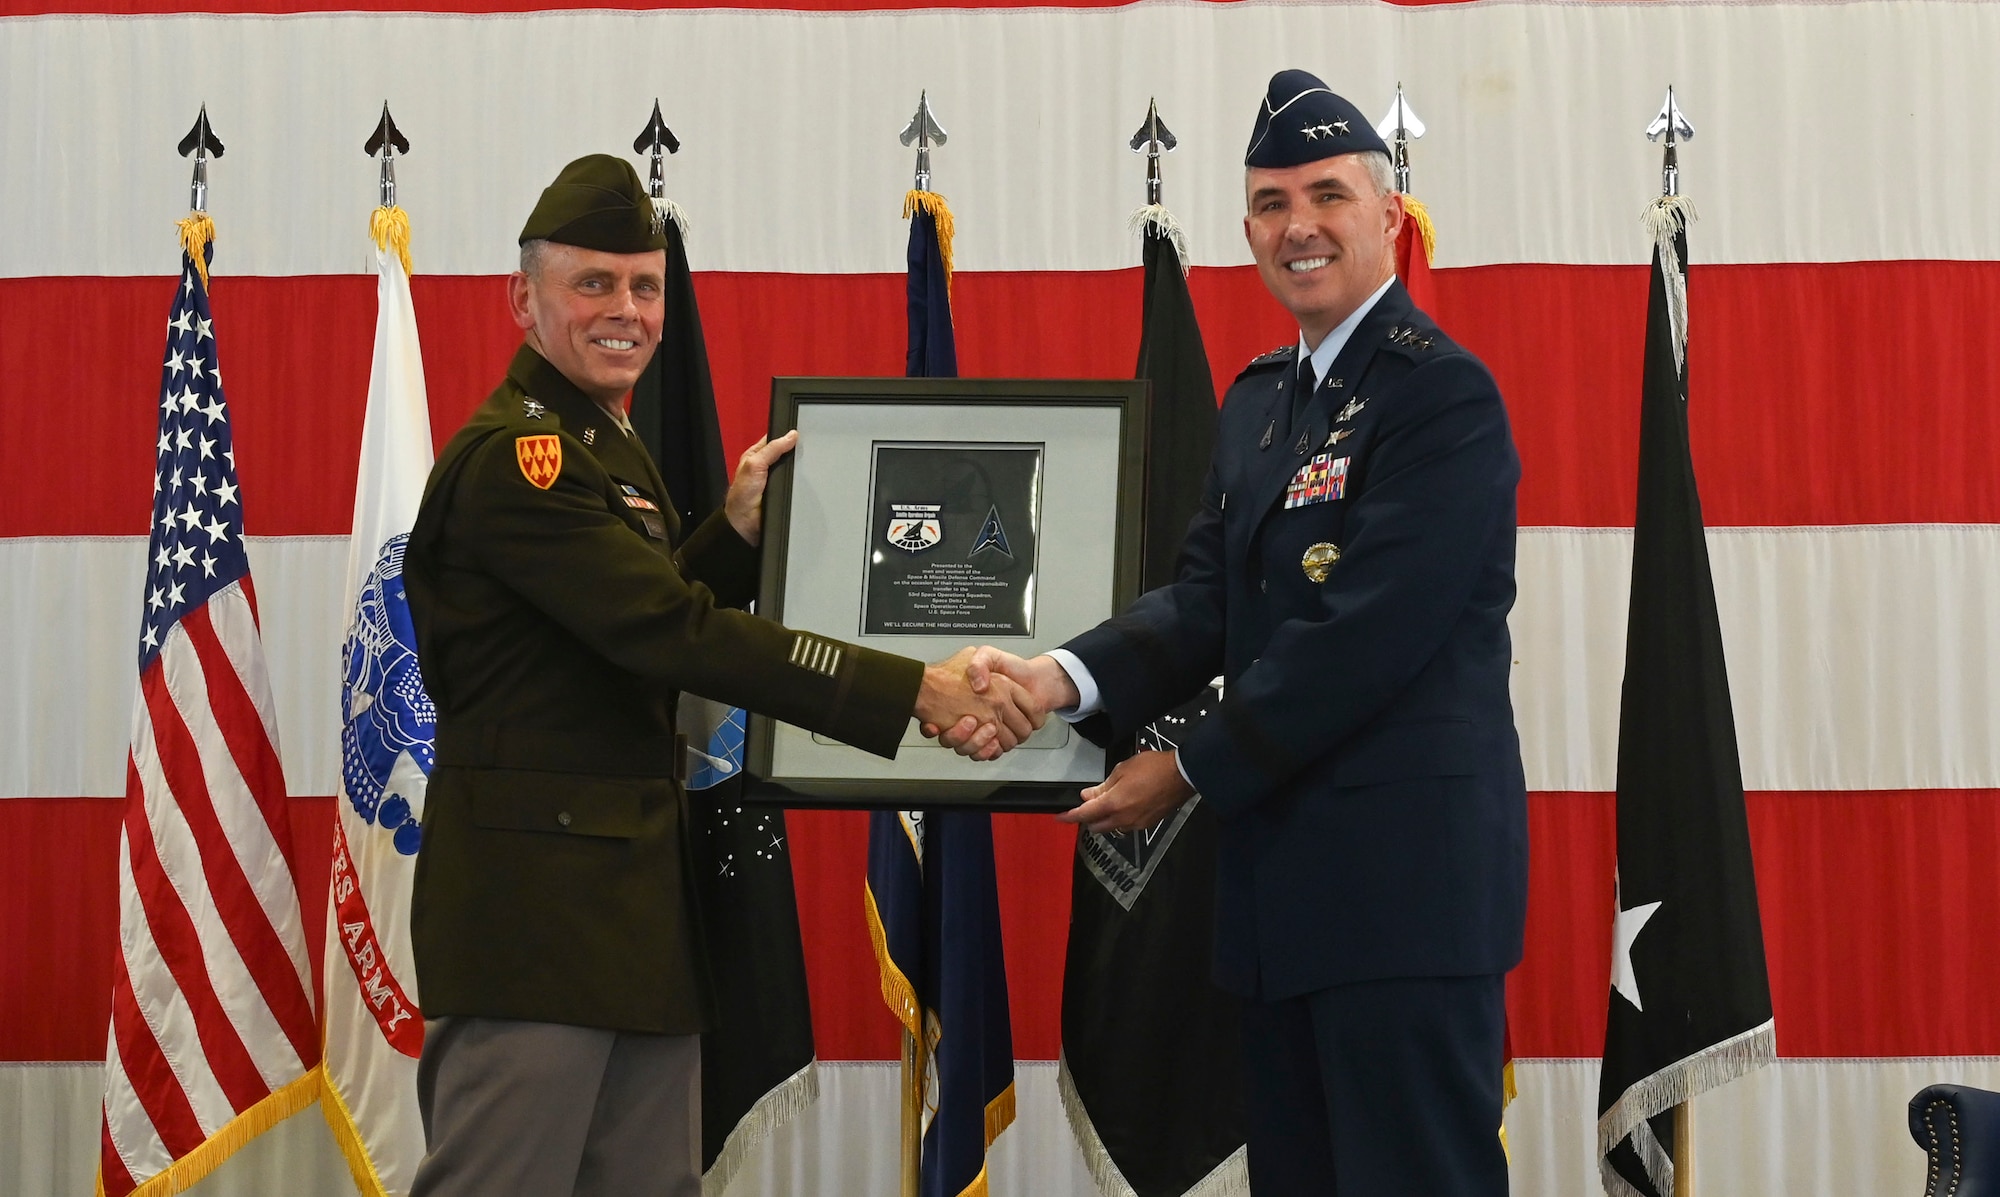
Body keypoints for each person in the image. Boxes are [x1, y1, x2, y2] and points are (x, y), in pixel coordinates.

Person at [401, 153, 1036, 1197]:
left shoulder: (603, 443)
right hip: (537, 926)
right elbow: (671, 632)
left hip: (631, 913)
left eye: (644, 286)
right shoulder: (520, 461)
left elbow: (611, 633)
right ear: (523, 299)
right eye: (592, 283)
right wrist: (914, 690)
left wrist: (733, 536)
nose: (627, 310)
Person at [962, 72, 1527, 1194]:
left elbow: (1360, 638)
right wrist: (1058, 678)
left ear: (1385, 215)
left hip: (1400, 899)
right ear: (1246, 232)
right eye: (1270, 204)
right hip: (1277, 894)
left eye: (1324, 195)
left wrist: (1180, 770)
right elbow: (1207, 602)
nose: (1297, 226)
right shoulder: (1260, 400)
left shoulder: (1441, 399)